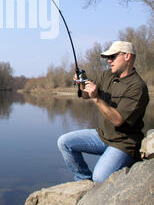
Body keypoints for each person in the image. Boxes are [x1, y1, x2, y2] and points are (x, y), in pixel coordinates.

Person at [57, 41, 150, 183]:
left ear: (127, 57)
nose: (109, 61)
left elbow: (118, 120)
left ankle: (126, 162)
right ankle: (83, 180)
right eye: (108, 58)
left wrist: (97, 99)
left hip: (124, 143)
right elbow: (86, 95)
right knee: (64, 142)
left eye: (113, 57)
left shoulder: (137, 87)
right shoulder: (107, 75)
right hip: (102, 136)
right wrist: (82, 83)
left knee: (100, 178)